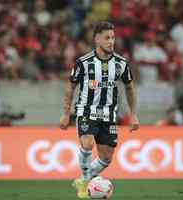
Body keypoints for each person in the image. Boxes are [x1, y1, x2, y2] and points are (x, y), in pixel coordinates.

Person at [59, 21, 139, 199]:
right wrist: (66, 113)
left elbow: (130, 88)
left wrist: (133, 114)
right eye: (107, 38)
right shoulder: (84, 62)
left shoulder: (121, 63)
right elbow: (70, 87)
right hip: (86, 111)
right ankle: (86, 183)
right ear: (96, 39)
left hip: (109, 115)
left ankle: (83, 179)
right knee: (87, 144)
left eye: (113, 37)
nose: (111, 41)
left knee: (106, 158)